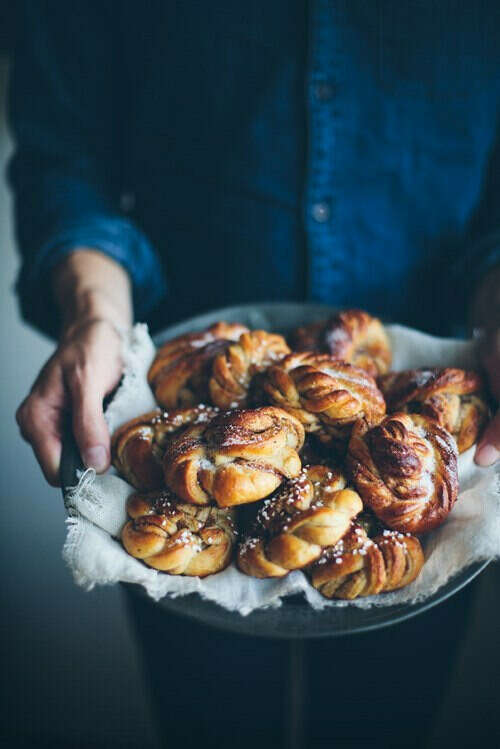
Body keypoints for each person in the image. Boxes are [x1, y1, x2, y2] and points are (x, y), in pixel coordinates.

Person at [8, 2, 500, 747]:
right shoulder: (193, 450)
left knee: (388, 716)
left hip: (437, 413)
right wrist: (95, 313)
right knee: (209, 717)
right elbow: (62, 144)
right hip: (184, 354)